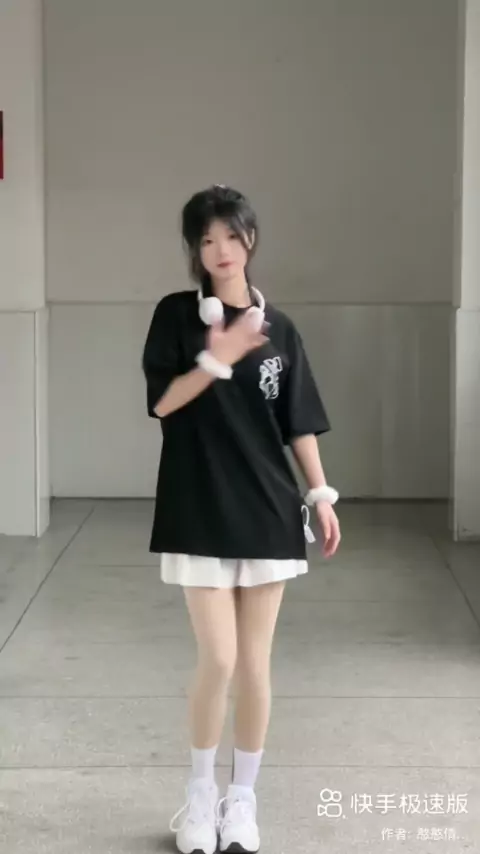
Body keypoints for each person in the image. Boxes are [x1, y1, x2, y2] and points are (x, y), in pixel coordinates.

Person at [142, 185, 341, 854]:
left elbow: (297, 423)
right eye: (206, 239)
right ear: (194, 250)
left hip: (267, 506)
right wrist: (217, 357)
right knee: (219, 657)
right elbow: (164, 402)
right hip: (197, 502)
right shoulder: (176, 315)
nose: (220, 249)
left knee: (255, 663)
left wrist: (320, 495)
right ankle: (199, 796)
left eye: (231, 235)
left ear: (250, 239)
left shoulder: (278, 328)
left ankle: (242, 802)